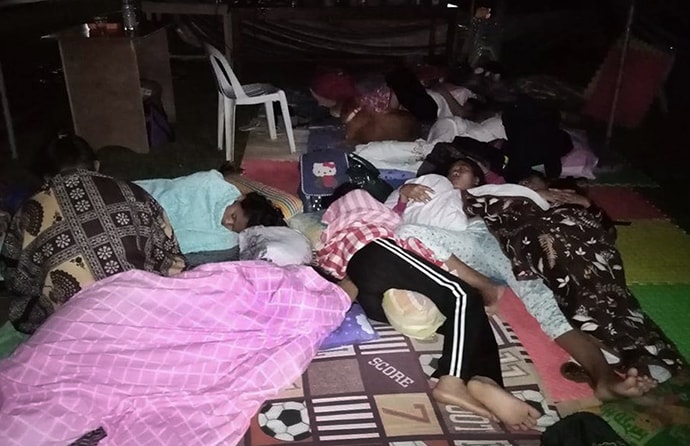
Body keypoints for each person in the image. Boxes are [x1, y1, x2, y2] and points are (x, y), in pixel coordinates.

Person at [387, 157, 660, 398]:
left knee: (544, 303)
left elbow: (521, 204)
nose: (457, 169)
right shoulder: (429, 187)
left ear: (478, 179)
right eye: (454, 167)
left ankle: (603, 377)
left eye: (466, 168)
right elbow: (389, 216)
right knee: (408, 232)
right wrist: (403, 192)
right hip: (457, 248)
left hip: (492, 239)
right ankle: (486, 287)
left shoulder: (485, 192)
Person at [315, 187, 541, 430]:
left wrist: (402, 196)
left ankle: (485, 380)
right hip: (376, 251)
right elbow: (394, 217)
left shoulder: (329, 228)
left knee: (467, 318)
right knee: (463, 294)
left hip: (366, 292)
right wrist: (400, 194)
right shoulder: (357, 200)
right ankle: (451, 381)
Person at [1, 134, 186, 334]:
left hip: (74, 318)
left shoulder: (29, 210)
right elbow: (170, 252)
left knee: (25, 305)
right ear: (96, 166)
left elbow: (16, 279)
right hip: (141, 302)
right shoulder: (133, 192)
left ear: (47, 178)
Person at [509, 170, 684, 382]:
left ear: (547, 181)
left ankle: (632, 354)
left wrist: (585, 203)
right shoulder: (514, 202)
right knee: (573, 297)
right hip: (552, 253)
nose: (525, 183)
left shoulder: (567, 197)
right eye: (520, 182)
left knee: (603, 294)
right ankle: (625, 353)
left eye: (530, 179)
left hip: (587, 246)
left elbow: (608, 230)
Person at [135, 169, 286, 266]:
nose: (227, 222)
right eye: (233, 216)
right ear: (241, 198)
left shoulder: (225, 244)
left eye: (233, 227)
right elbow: (173, 191)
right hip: (142, 197)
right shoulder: (211, 185)